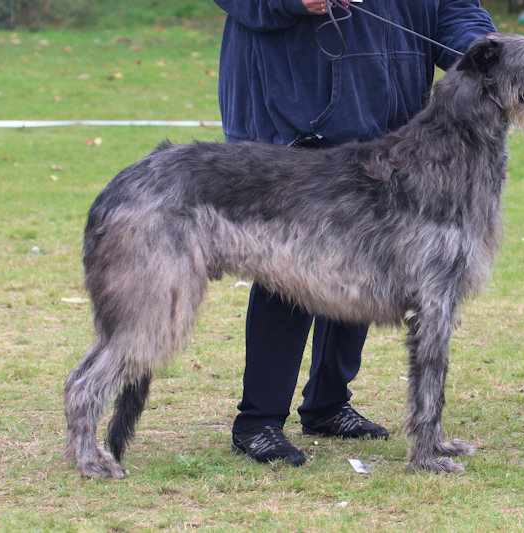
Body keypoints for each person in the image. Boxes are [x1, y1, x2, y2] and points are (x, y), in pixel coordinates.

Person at [213, 0, 496, 465]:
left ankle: (327, 403)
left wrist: (485, 53)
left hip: (389, 105)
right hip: (289, 105)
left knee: (369, 260)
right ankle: (259, 421)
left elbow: (456, 10)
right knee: (288, 267)